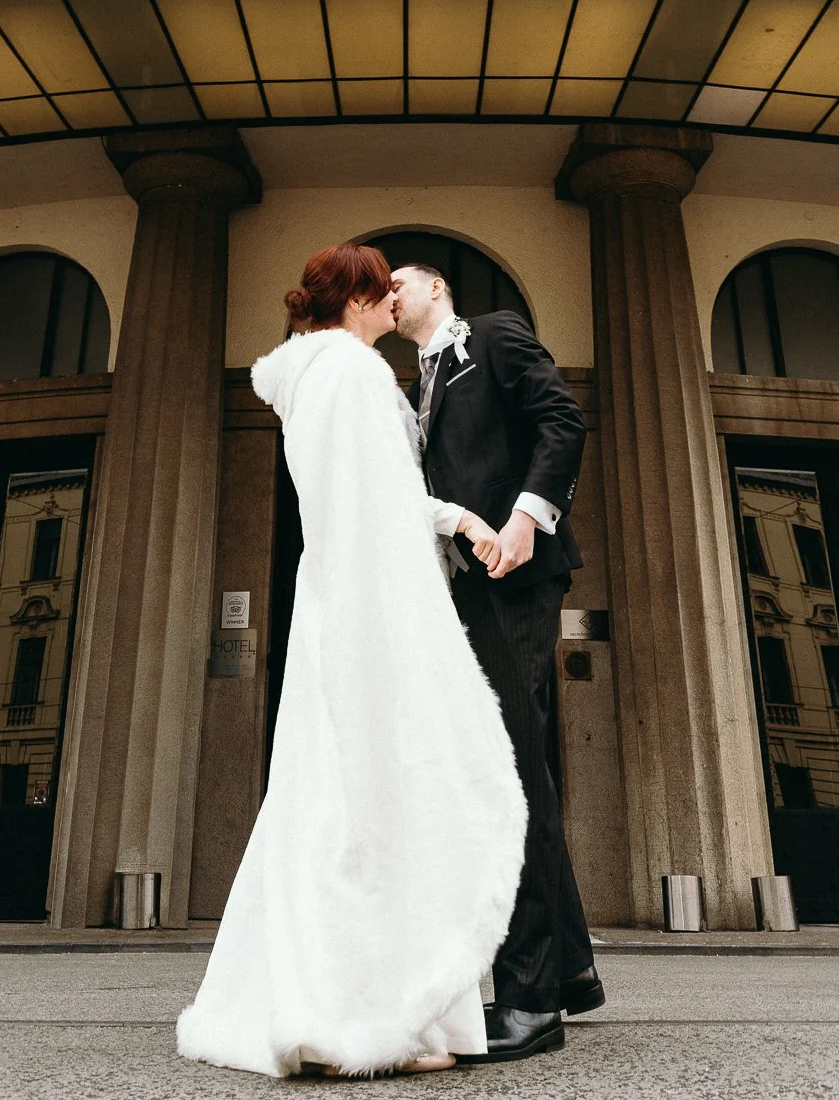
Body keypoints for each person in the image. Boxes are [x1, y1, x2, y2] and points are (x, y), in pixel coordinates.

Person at [177, 243, 527, 1080]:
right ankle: (366, 1018)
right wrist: (448, 537)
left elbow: (367, 493)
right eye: (386, 295)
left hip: (335, 594)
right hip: (372, 603)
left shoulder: (309, 376)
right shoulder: (356, 373)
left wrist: (455, 521)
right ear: (362, 301)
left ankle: (333, 1003)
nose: (395, 309)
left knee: (331, 790)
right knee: (378, 793)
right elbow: (378, 501)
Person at [389, 261, 601, 1064]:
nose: (391, 297)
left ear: (436, 287)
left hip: (513, 576)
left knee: (508, 776)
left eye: (400, 284)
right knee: (516, 774)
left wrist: (526, 519)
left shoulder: (494, 334)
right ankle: (572, 968)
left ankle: (531, 999)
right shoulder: (414, 381)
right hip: (461, 592)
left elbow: (561, 422)